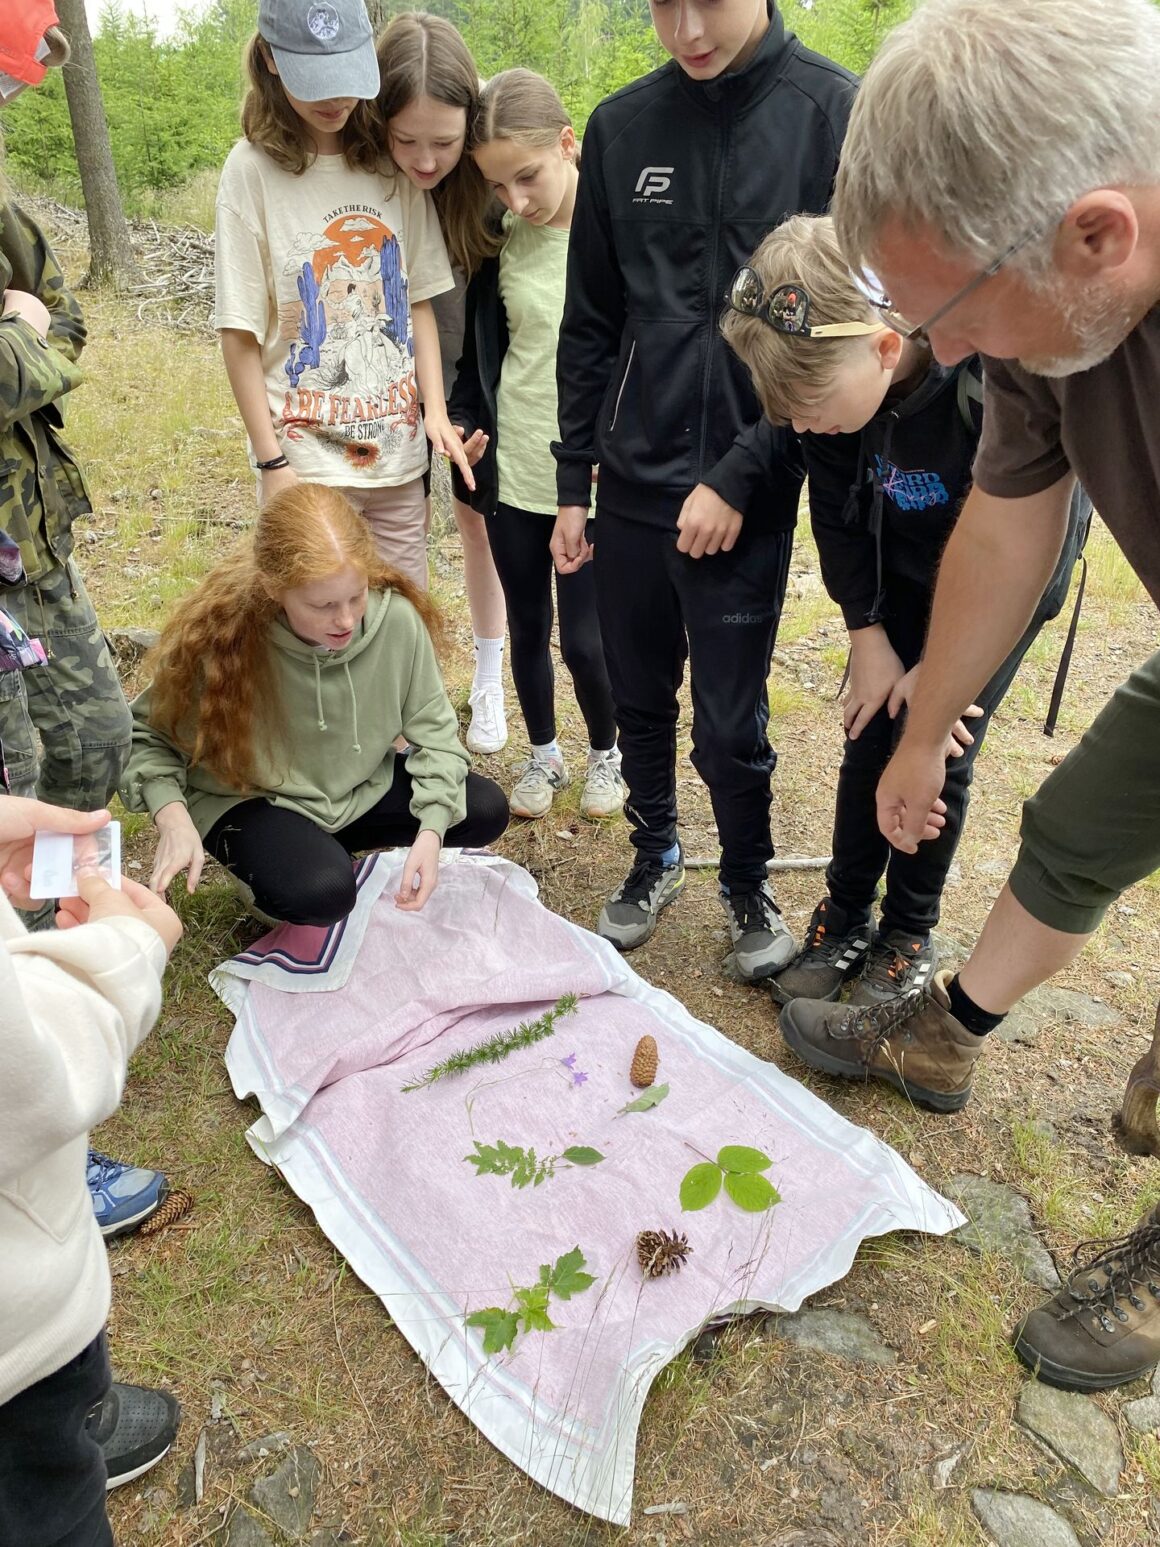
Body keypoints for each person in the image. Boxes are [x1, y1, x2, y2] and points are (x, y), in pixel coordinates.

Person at [781, 0, 1160, 1393]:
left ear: (1097, 233)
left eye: (946, 312)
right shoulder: (1052, 310)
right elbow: (1007, 516)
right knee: (1076, 826)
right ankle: (944, 1037)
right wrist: (926, 725)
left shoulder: (1062, 274)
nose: (932, 349)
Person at [552, 0, 855, 981]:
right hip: (630, 483)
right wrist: (571, 481)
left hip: (748, 491)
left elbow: (839, 339)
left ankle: (747, 880)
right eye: (661, 4)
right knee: (637, 692)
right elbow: (590, 321)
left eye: (706, 1)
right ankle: (654, 854)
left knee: (730, 720)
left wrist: (739, 474)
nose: (685, 29)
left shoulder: (829, 114)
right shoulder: (620, 127)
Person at [721, 215, 1086, 1011]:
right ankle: (846, 911)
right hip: (896, 586)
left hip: (995, 600)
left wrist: (945, 675)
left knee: (938, 750)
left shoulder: (989, 383)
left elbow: (1037, 553)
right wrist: (867, 634)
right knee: (870, 730)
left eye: (810, 408)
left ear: (885, 348)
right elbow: (837, 518)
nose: (801, 426)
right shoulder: (833, 401)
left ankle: (909, 930)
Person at [0, 3, 168, 1237]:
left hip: (34, 543)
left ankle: (66, 982)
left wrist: (33, 336)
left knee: (90, 750)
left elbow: (66, 316)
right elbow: (34, 350)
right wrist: (28, 342)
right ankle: (39, 1142)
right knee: (7, 792)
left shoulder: (6, 208)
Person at [121, 483, 508, 925]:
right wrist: (172, 817)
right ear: (274, 589)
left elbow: (436, 735)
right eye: (322, 605)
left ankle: (318, 850)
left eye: (357, 596)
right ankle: (287, 867)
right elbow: (146, 737)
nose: (345, 620)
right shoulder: (225, 639)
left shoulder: (396, 621)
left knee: (484, 808)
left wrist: (432, 831)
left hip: (355, 790)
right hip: (258, 798)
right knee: (324, 893)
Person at [214, 0, 477, 591]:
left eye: (345, 76)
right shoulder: (250, 172)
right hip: (307, 465)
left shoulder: (389, 165)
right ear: (271, 60)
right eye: (314, 80)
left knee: (405, 615)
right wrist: (271, 462)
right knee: (320, 619)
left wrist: (435, 411)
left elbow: (416, 298)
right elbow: (238, 332)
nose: (334, 99)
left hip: (398, 462)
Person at [0, 795, 183, 1546]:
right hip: (14, 1350)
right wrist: (125, 955)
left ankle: (75, 1424)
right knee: (51, 1512)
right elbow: (22, 1069)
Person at [447, 70, 625, 824]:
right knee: (528, 623)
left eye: (528, 177)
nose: (516, 200)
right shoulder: (501, 245)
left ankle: (608, 752)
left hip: (589, 478)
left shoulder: (615, 237)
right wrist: (463, 420)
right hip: (513, 467)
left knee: (585, 638)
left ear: (567, 144)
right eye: (498, 185)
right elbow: (478, 360)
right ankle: (544, 752)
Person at [377, 11, 509, 755]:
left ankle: (489, 675)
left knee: (477, 523)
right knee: (391, 535)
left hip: (472, 379)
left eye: (445, 142)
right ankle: (394, 686)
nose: (425, 160)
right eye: (406, 141)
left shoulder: (488, 177)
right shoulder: (364, 173)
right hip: (383, 386)